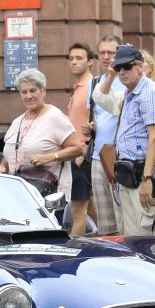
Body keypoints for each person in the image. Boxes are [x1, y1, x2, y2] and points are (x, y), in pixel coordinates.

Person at [97, 43, 155, 234]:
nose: (122, 72)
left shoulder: (151, 92)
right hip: (128, 175)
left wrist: (147, 179)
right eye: (118, 67)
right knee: (132, 238)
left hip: (145, 175)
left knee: (150, 237)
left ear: (139, 66)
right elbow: (100, 97)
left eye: (127, 66)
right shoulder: (129, 93)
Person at [0, 69, 83, 203]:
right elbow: (13, 152)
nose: (28, 96)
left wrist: (50, 156)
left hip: (49, 197)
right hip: (19, 195)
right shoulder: (17, 121)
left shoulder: (54, 117)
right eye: (24, 92)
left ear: (43, 91)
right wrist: (2, 166)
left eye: (33, 90)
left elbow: (78, 148)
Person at [89, 35, 125, 236]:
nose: (106, 57)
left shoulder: (126, 81)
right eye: (102, 52)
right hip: (98, 157)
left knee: (123, 220)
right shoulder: (95, 82)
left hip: (120, 157)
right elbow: (95, 114)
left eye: (111, 52)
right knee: (105, 225)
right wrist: (90, 127)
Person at [64, 42, 98, 235]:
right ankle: (107, 240)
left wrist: (83, 151)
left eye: (79, 58)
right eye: (71, 58)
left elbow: (98, 121)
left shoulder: (92, 87)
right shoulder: (78, 88)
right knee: (90, 208)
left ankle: (75, 248)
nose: (74, 62)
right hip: (76, 155)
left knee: (78, 210)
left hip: (82, 156)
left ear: (90, 61)